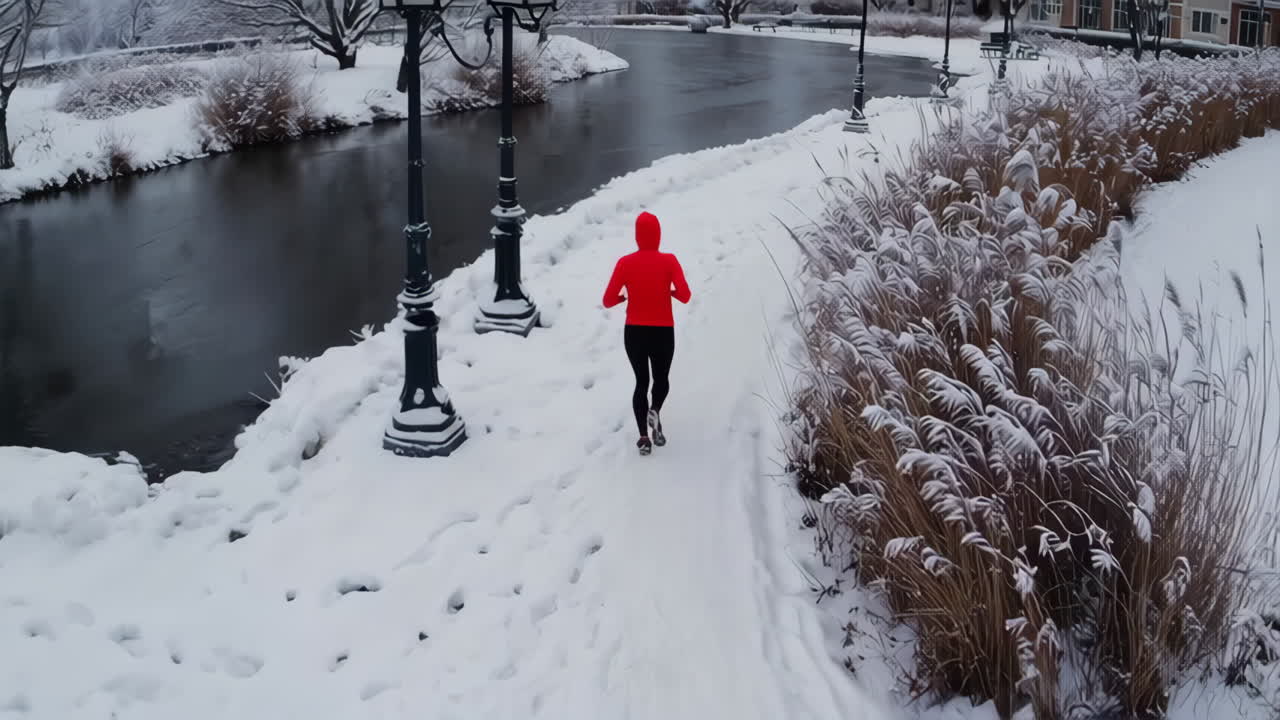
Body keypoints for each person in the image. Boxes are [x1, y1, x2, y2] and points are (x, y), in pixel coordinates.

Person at [602, 211, 692, 456]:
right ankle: (655, 409)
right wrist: (670, 293)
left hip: (634, 332)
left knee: (641, 381)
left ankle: (643, 437)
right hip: (663, 331)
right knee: (661, 379)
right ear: (658, 236)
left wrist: (623, 298)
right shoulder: (669, 261)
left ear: (637, 237)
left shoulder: (625, 263)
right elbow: (685, 295)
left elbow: (608, 300)